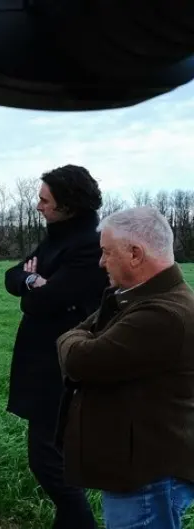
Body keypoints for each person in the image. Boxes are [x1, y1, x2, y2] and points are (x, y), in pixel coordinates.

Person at [56, 206, 194, 529]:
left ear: (135, 254)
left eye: (106, 252)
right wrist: (77, 338)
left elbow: (79, 360)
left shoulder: (162, 315)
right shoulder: (137, 299)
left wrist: (69, 339)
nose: (101, 262)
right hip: (139, 471)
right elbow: (82, 339)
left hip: (147, 479)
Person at [3, 164, 107, 529]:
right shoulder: (56, 237)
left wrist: (31, 289)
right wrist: (34, 279)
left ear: (69, 204)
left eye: (45, 200)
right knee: (50, 460)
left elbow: (46, 300)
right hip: (39, 364)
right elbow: (12, 277)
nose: (38, 206)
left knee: (47, 461)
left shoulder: (89, 246)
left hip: (61, 367)